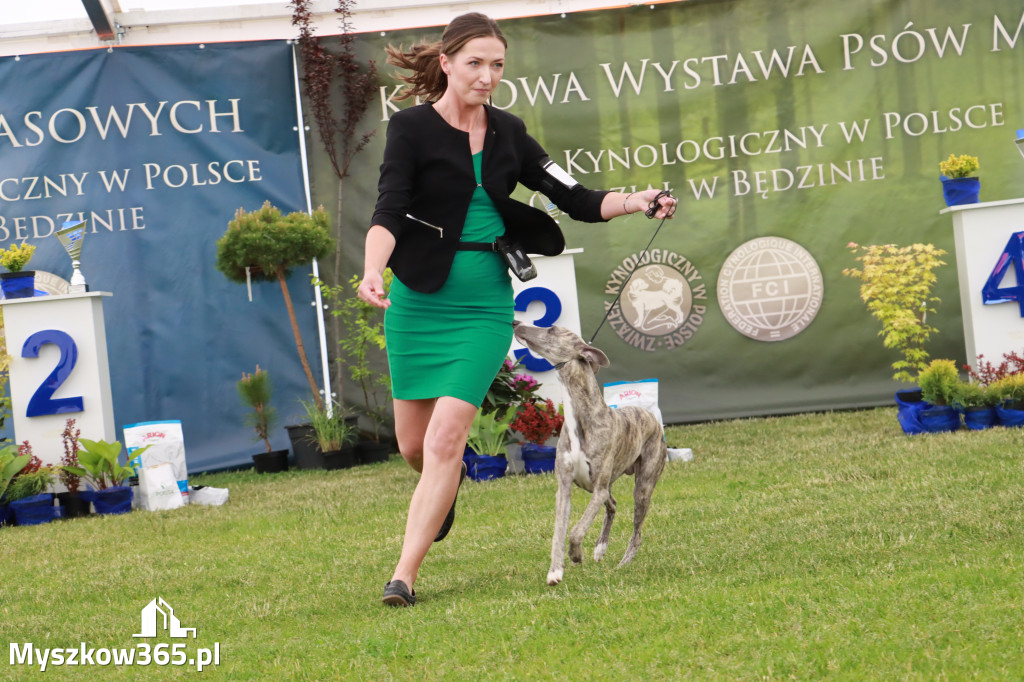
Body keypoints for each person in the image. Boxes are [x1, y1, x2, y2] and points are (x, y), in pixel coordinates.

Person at [358, 12, 676, 607]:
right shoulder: (410, 130)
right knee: (414, 446)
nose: (487, 75)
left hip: (482, 304)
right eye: (475, 63)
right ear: (447, 63)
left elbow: (574, 197)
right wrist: (374, 268)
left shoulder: (510, 132)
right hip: (418, 301)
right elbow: (388, 210)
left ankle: (403, 576)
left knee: (447, 438)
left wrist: (639, 199)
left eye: (497, 65)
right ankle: (440, 490)